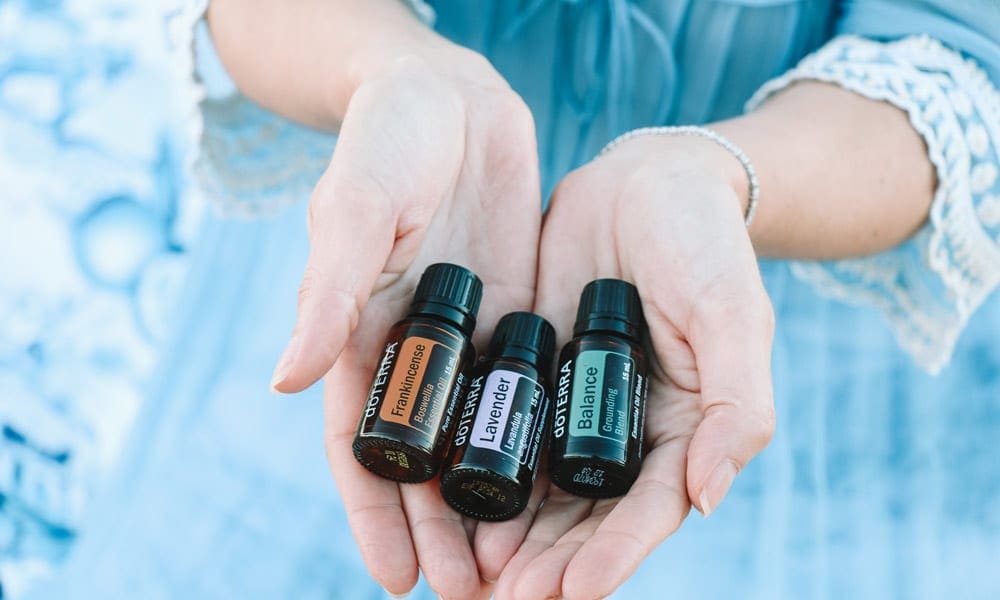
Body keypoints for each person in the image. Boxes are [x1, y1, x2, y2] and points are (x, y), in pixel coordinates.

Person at [34, 1, 1000, 598]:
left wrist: (719, 181)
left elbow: (962, 48)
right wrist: (391, 72)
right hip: (395, 241)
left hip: (762, 307)